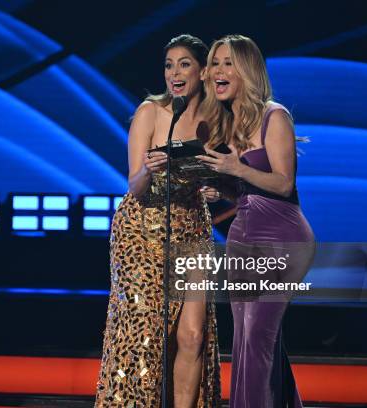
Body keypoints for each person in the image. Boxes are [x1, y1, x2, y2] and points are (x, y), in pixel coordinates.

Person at [95, 34, 221, 407]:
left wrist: (215, 189)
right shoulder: (151, 112)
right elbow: (134, 185)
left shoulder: (216, 119)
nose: (175, 73)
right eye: (169, 65)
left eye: (184, 64)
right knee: (144, 335)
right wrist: (150, 168)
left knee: (193, 336)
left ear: (202, 71)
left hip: (193, 229)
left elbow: (224, 176)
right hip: (141, 231)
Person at [196, 34, 315, 407]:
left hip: (283, 236)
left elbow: (282, 184)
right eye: (214, 63)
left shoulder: (275, 115)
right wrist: (223, 193)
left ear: (246, 69)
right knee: (251, 339)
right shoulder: (228, 124)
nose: (217, 71)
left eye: (227, 62)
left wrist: (235, 168)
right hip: (243, 235)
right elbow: (248, 191)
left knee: (257, 336)